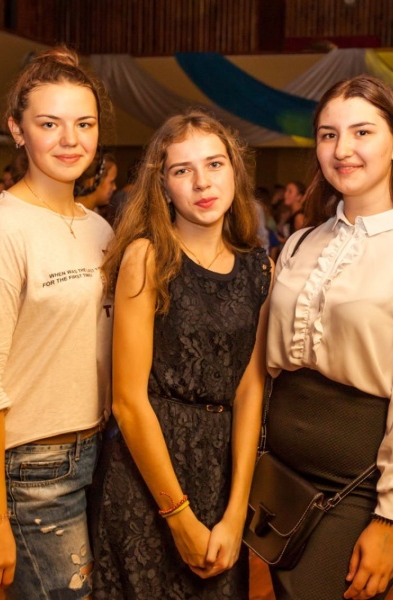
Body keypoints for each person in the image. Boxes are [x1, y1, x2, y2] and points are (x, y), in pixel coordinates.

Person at [266, 75, 393, 600]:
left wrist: (392, 517)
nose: (342, 149)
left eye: (362, 132)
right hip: (278, 474)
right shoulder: (299, 242)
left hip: (356, 483)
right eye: (328, 135)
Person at [0, 47, 114, 596]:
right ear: (17, 130)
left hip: (98, 451)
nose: (70, 140)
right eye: (49, 124)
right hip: (34, 469)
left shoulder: (98, 228)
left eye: (84, 124)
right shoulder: (0, 229)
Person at [91, 111, 271, 598]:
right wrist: (178, 516)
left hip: (221, 470)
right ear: (164, 187)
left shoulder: (260, 268)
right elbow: (128, 401)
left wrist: (236, 512)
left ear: (234, 171)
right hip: (150, 472)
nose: (202, 182)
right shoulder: (147, 258)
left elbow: (249, 389)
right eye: (182, 170)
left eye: (214, 164)